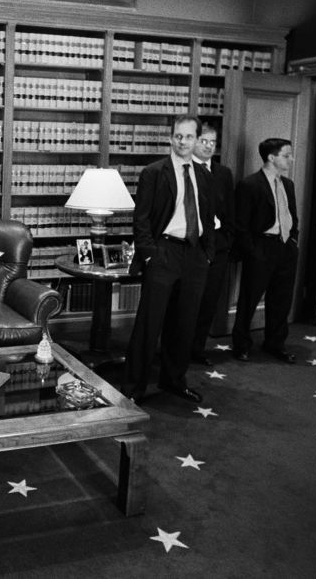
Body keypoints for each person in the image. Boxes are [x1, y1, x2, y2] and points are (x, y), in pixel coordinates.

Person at [123, 114, 214, 404]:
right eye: (178, 136)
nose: (183, 142)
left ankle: (174, 380)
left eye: (188, 137)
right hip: (163, 253)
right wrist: (150, 256)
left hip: (194, 256)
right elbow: (142, 219)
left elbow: (208, 217)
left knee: (184, 323)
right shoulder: (154, 172)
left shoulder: (204, 174)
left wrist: (207, 253)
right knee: (149, 325)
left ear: (197, 140)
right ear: (170, 138)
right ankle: (134, 388)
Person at [230, 138, 299, 364]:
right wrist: (253, 251)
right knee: (249, 299)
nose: (291, 159)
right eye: (286, 155)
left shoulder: (288, 184)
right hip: (261, 248)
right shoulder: (249, 185)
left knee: (281, 300)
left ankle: (275, 344)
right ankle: (241, 345)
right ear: (271, 157)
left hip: (285, 248)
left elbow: (292, 217)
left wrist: (293, 241)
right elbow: (240, 225)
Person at [190, 124, 235, 366]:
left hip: (217, 247)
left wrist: (226, 241)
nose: (208, 146)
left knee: (208, 301)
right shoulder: (184, 170)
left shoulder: (223, 173)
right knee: (188, 302)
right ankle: (177, 350)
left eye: (212, 142)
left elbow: (230, 209)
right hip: (193, 247)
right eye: (204, 141)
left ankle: (197, 349)